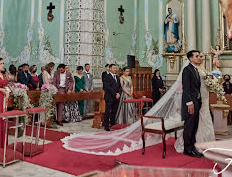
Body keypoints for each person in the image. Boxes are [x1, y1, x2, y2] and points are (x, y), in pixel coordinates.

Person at [61, 54, 215, 156]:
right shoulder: (107, 75)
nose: (116, 69)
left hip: (198, 99)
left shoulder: (196, 70)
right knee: (109, 110)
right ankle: (109, 125)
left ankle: (191, 145)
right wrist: (120, 93)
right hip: (113, 95)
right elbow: (113, 86)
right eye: (114, 68)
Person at [181, 50, 205, 157]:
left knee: (195, 126)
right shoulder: (187, 70)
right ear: (191, 59)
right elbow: (186, 88)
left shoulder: (195, 69)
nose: (199, 58)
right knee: (189, 126)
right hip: (190, 103)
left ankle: (193, 147)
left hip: (196, 102)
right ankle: (187, 149)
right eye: (196, 56)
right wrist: (189, 103)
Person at [103, 64, 121, 131]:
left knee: (114, 111)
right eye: (114, 68)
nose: (115, 69)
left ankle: (113, 124)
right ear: (110, 69)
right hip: (109, 97)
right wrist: (115, 94)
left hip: (116, 97)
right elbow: (107, 87)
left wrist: (119, 93)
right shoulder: (106, 76)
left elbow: (119, 86)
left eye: (116, 68)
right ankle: (106, 125)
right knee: (108, 111)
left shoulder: (117, 77)